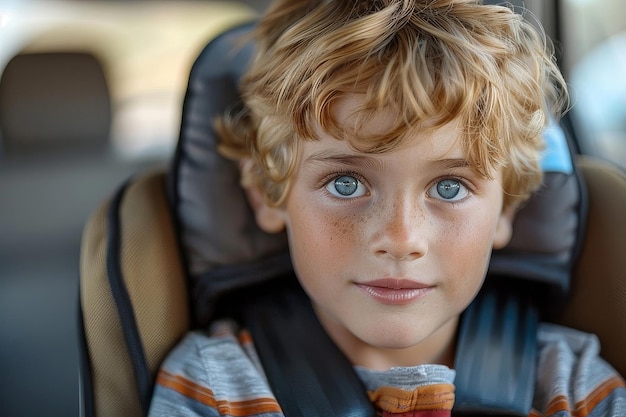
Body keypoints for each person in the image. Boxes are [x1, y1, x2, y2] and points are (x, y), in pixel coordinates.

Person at [149, 0, 626, 415]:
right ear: (268, 194)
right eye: (346, 183)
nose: (400, 238)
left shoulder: (572, 387)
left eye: (449, 188)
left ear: (507, 209)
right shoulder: (213, 387)